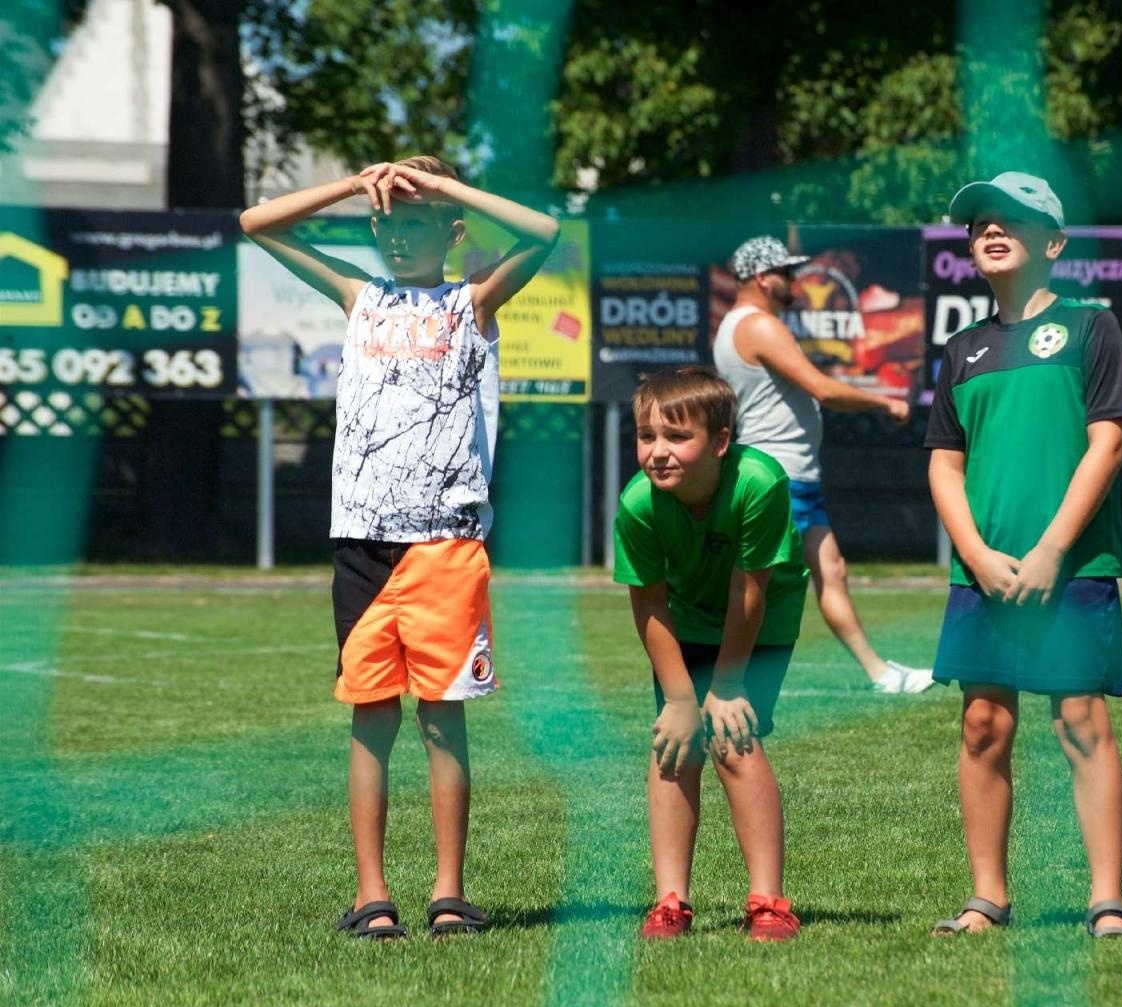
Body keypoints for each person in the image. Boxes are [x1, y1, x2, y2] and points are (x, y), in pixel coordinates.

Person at [240, 155, 560, 939]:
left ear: (450, 231)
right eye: (387, 224)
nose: (395, 238)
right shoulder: (360, 296)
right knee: (370, 718)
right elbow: (256, 223)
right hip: (361, 543)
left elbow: (545, 231)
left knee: (442, 722)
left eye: (414, 224)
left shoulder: (471, 302)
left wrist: (444, 185)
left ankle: (449, 893)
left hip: (444, 545)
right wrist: (356, 186)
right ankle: (372, 895)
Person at [923, 172, 1122, 939]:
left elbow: (1107, 443)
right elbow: (943, 465)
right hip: (982, 573)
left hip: (1074, 569)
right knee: (983, 724)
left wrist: (1053, 549)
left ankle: (1107, 898)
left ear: (1053, 243)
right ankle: (987, 897)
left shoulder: (1092, 329)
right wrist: (978, 554)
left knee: (1080, 722)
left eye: (1010, 219)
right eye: (978, 221)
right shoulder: (961, 349)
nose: (989, 228)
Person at [613, 366, 809, 941]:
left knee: (731, 738)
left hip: (763, 613)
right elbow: (648, 602)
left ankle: (769, 903)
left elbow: (749, 591)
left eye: (677, 437)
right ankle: (670, 902)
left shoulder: (759, 482)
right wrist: (679, 698)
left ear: (721, 442)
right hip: (683, 613)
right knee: (675, 743)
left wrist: (725, 686)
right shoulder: (637, 504)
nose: (658, 452)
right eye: (647, 437)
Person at [713, 235, 933, 694]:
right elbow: (824, 390)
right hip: (777, 476)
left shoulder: (745, 323)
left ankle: (881, 675)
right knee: (760, 587)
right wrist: (883, 402)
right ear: (762, 278)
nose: (794, 281)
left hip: (796, 477)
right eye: (786, 273)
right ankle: (725, 678)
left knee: (831, 572)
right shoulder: (758, 325)